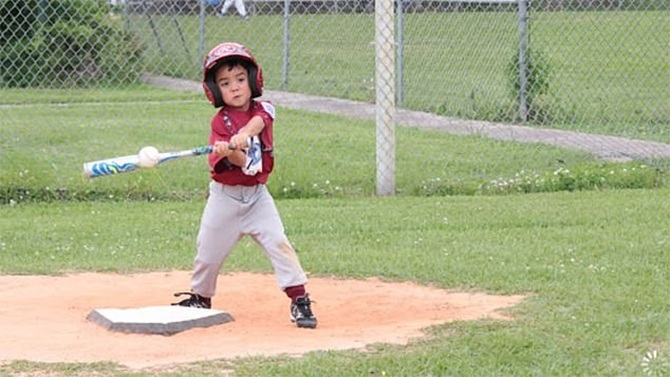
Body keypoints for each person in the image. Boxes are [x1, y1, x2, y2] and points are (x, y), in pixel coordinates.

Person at [171, 42, 317, 329]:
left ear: (252, 79)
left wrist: (243, 135)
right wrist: (227, 150)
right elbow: (244, 162)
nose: (235, 87)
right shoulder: (218, 122)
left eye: (240, 79)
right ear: (215, 90)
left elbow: (258, 130)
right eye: (225, 83)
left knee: (279, 244)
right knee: (207, 253)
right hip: (224, 199)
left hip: (257, 199)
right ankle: (201, 297)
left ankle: (299, 299)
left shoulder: (265, 109)